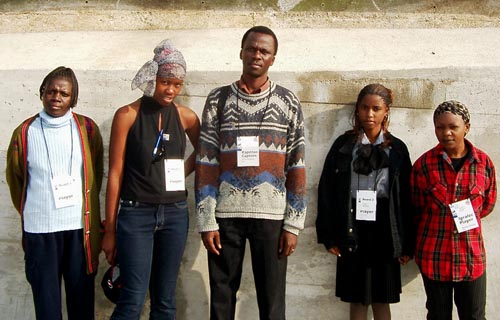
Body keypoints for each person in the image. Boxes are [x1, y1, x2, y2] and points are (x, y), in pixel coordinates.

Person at [195, 26, 307, 319]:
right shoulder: (217, 100)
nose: (257, 55)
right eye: (252, 49)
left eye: (264, 51)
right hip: (225, 216)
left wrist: (293, 224)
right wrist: (207, 220)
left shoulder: (288, 102)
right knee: (221, 299)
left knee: (272, 302)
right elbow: (206, 163)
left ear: (273, 59)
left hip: (271, 217)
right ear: (241, 52)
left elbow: (297, 164)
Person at [102, 39, 200, 319]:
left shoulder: (186, 117)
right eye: (165, 82)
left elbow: (207, 150)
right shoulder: (127, 115)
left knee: (165, 300)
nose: (170, 90)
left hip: (175, 214)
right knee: (131, 298)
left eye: (177, 84)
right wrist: (110, 230)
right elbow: (115, 174)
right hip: (135, 215)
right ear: (152, 78)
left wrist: (183, 171)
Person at [6, 66, 103, 320]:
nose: (56, 97)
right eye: (51, 91)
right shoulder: (25, 132)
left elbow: (96, 173)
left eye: (64, 93)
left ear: (73, 98)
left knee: (81, 306)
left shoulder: (87, 129)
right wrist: (37, 208)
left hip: (79, 232)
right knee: (47, 308)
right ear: (42, 93)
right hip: (40, 232)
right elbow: (16, 180)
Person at [316, 84, 413, 320]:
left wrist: (406, 243)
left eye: (376, 109)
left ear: (386, 112)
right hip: (352, 224)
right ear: (357, 110)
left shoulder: (397, 149)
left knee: (382, 296)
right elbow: (327, 189)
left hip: (385, 227)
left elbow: (407, 198)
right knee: (356, 296)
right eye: (365, 108)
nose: (370, 114)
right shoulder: (343, 145)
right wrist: (328, 235)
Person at [411, 100, 497, 320]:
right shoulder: (424, 165)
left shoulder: (484, 164)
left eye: (453, 127)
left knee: (475, 316)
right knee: (438, 315)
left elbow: (487, 205)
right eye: (440, 127)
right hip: (434, 256)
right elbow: (416, 206)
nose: (446, 133)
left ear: (466, 127)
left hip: (471, 257)